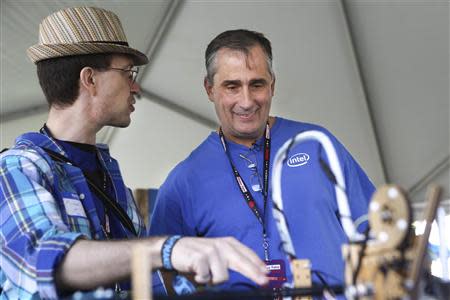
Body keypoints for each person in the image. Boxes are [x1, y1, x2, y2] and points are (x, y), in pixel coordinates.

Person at [0, 9, 269, 299]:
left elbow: (147, 285)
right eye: (128, 73)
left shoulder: (109, 177)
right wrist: (165, 249)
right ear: (89, 79)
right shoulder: (18, 167)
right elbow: (42, 260)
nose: (136, 86)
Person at [150, 29, 375, 292]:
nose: (246, 102)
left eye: (256, 84)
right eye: (232, 86)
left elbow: (376, 231)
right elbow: (160, 278)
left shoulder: (316, 144)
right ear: (209, 89)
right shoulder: (183, 182)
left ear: (272, 85)